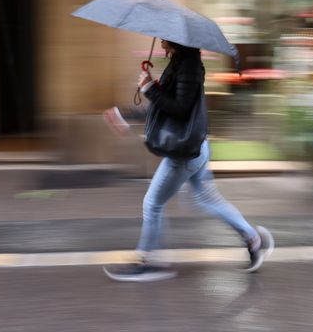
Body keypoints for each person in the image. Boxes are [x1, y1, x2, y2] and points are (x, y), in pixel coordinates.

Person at [104, 39, 273, 282]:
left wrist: (149, 88)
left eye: (165, 35)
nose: (161, 39)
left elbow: (180, 109)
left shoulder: (190, 66)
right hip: (196, 146)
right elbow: (164, 109)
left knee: (152, 204)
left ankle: (150, 262)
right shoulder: (179, 62)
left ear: (177, 39)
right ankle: (253, 238)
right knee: (206, 199)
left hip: (184, 152)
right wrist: (127, 112)